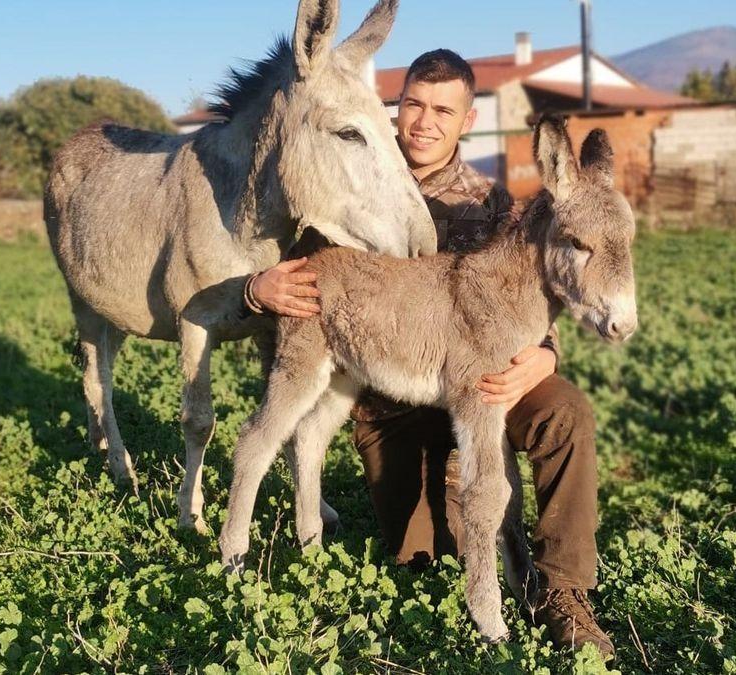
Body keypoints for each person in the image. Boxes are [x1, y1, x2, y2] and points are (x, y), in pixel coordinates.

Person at [243, 49, 614, 658]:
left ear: (467, 121)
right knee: (423, 556)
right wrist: (256, 289)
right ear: (396, 108)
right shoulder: (346, 179)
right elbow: (272, 259)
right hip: (394, 391)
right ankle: (464, 511)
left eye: (444, 109)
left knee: (565, 413)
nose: (424, 121)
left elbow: (550, 278)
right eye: (414, 103)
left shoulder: (495, 204)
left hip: (489, 372)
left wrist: (545, 353)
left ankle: (562, 590)